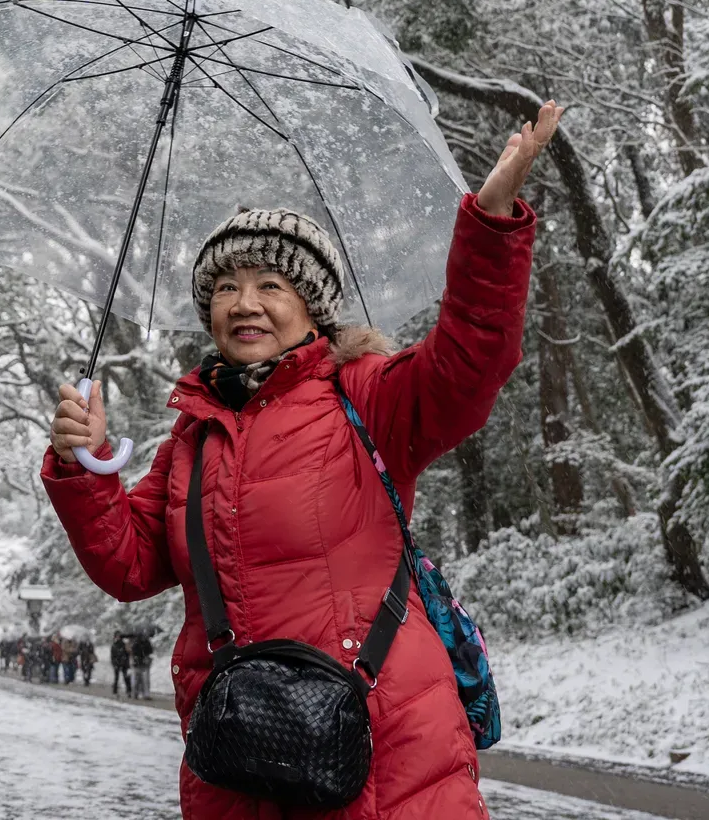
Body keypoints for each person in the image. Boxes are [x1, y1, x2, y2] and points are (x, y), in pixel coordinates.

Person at [46, 104, 554, 820]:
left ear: (312, 307)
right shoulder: (193, 437)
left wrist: (491, 227)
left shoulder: (366, 395)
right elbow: (128, 565)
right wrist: (84, 465)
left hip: (387, 753)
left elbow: (471, 360)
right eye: (225, 287)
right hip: (241, 761)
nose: (243, 304)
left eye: (270, 285)